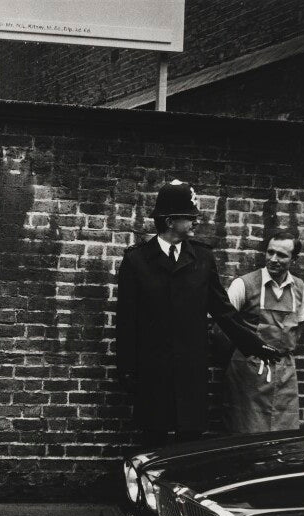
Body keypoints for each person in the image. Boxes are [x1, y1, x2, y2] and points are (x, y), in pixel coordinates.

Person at [116, 180, 280, 448]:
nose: (196, 222)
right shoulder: (136, 261)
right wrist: (127, 369)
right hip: (152, 370)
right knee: (152, 441)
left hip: (189, 370)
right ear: (170, 221)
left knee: (188, 442)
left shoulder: (202, 259)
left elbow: (223, 310)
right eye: (190, 217)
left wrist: (255, 345)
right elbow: (126, 320)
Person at [224, 232, 304, 433]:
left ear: (293, 259)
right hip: (249, 372)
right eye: (270, 252)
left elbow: (300, 327)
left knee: (283, 435)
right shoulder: (243, 284)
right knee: (248, 433)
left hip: (284, 373)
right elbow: (223, 328)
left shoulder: (299, 287)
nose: (273, 259)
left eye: (281, 255)